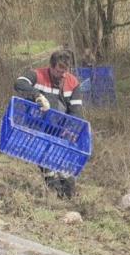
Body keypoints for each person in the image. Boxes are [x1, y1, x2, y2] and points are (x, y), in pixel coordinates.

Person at [14, 49, 83, 198]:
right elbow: (19, 83)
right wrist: (37, 95)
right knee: (46, 165)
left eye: (65, 71)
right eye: (59, 71)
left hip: (60, 130)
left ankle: (69, 196)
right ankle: (53, 195)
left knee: (65, 170)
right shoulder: (37, 75)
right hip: (38, 126)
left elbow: (76, 111)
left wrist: (71, 128)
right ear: (51, 67)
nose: (62, 75)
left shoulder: (72, 83)